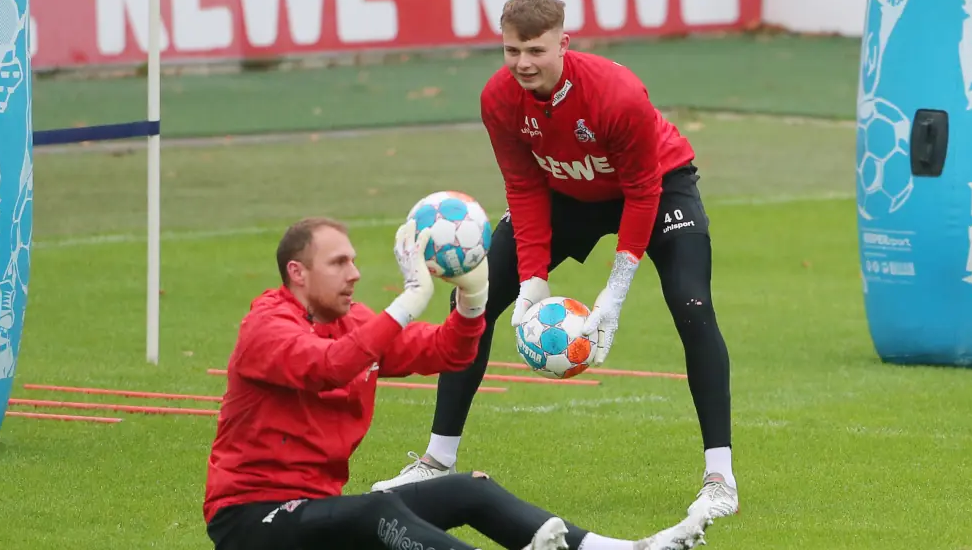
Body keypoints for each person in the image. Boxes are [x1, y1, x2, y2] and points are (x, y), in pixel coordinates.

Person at [370, 0, 739, 525]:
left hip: (657, 187)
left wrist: (613, 292)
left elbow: (641, 191)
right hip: (562, 192)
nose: (523, 63)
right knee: (474, 296)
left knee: (692, 305)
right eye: (511, 50)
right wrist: (533, 281)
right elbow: (522, 187)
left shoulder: (617, 94)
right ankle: (435, 461)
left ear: (563, 44)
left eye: (536, 51)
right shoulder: (498, 98)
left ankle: (719, 479)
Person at [203, 216, 710, 550]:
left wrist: (473, 299)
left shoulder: (352, 324)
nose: (355, 273)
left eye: (355, 260)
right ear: (297, 272)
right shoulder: (265, 328)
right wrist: (406, 301)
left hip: (319, 511)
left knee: (471, 491)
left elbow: (446, 352)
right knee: (377, 508)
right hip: (252, 522)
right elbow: (329, 366)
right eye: (339, 263)